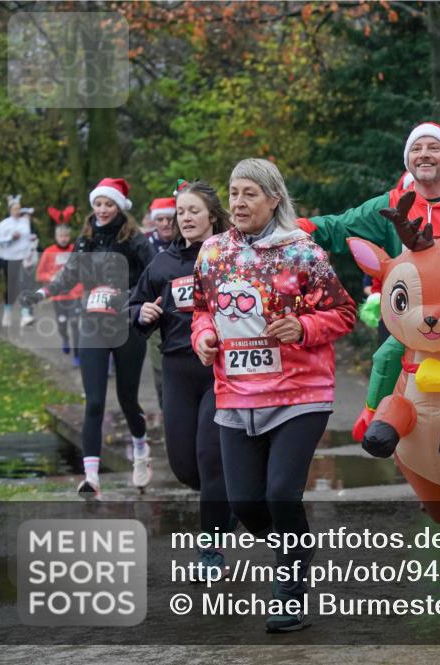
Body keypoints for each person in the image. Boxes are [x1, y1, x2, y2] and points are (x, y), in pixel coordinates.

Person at [191, 158, 357, 632]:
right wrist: (204, 336)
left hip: (300, 393)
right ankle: (296, 548)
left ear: (273, 199)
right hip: (236, 394)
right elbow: (203, 310)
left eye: (249, 194)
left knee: (282, 494)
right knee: (244, 503)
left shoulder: (303, 252)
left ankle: (289, 592)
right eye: (233, 193)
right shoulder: (213, 253)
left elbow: (344, 313)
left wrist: (303, 326)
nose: (238, 203)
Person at [304, 123, 440, 440]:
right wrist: (297, 227)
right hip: (410, 325)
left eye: (434, 147)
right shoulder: (392, 204)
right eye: (416, 149)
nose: (424, 155)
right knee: (387, 360)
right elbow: (340, 227)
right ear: (408, 160)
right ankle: (377, 419)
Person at [28, 178, 156, 498]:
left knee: (127, 401)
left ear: (119, 208)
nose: (102, 210)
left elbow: (155, 276)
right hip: (93, 325)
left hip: (127, 325)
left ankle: (141, 449)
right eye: (98, 204)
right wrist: (41, 292)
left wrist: (125, 297)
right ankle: (91, 478)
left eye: (108, 204)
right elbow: (69, 275)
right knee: (95, 401)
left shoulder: (136, 240)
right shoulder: (84, 240)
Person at [129, 181, 232, 579]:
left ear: (211, 216)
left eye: (193, 211)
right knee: (184, 466)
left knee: (209, 459)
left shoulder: (230, 256)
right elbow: (136, 305)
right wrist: (142, 315)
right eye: (181, 212)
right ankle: (226, 505)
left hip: (218, 369)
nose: (185, 218)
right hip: (176, 370)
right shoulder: (163, 264)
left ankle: (211, 548)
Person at [35, 206, 83, 366]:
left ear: (70, 236)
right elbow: (39, 274)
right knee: (62, 324)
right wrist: (51, 276)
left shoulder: (75, 250)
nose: (64, 238)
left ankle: (77, 355)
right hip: (58, 296)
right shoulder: (49, 252)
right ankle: (64, 338)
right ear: (56, 236)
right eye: (61, 235)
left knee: (76, 324)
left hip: (75, 294)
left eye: (66, 235)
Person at [144, 196, 178, 409]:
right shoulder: (144, 245)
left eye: (169, 219)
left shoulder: (189, 242)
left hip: (187, 318)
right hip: (157, 318)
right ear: (154, 222)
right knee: (161, 375)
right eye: (160, 219)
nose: (165, 224)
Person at [0, 196, 38, 327]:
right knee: (12, 287)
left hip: (24, 258)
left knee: (25, 286)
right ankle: (7, 312)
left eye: (19, 209)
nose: (17, 211)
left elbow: (28, 239)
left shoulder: (25, 222)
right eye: (15, 209)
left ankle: (25, 314)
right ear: (10, 210)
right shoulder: (4, 224)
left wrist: (31, 244)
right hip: (9, 259)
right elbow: (0, 242)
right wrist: (11, 237)